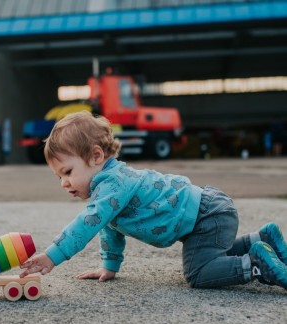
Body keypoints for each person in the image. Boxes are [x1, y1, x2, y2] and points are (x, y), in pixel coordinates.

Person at [20, 111, 287, 290]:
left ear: (96, 156)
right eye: (58, 177)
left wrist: (52, 256)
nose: (64, 182)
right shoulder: (109, 188)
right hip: (205, 217)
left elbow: (87, 223)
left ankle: (257, 264)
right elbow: (109, 229)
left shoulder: (114, 184)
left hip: (207, 218)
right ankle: (262, 239)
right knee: (209, 255)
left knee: (199, 273)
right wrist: (109, 266)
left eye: (67, 172)